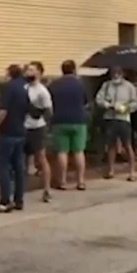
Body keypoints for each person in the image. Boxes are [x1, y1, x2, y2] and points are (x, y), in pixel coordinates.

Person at [0, 64, 29, 213]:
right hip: (20, 130)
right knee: (18, 166)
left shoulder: (10, 87)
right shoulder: (24, 87)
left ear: (10, 73)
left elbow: (3, 110)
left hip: (8, 131)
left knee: (4, 165)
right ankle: (19, 200)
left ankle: (5, 201)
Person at [48, 60, 89, 191]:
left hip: (59, 120)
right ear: (74, 70)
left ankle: (62, 181)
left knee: (62, 152)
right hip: (78, 120)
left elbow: (49, 102)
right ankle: (80, 181)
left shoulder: (54, 85)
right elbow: (86, 102)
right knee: (78, 151)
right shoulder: (80, 84)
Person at [96, 66, 137, 180]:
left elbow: (135, 103)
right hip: (110, 118)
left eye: (118, 73)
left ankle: (132, 171)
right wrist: (107, 105)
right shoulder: (106, 85)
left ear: (123, 74)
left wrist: (126, 108)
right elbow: (99, 99)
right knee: (111, 145)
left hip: (124, 119)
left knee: (127, 145)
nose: (116, 75)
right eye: (114, 73)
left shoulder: (129, 87)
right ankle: (110, 170)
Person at [22, 62, 53, 202]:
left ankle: (46, 190)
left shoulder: (42, 91)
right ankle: (20, 190)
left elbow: (48, 111)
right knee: (21, 159)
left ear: (39, 73)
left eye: (32, 70)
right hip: (23, 127)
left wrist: (38, 114)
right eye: (28, 70)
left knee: (41, 158)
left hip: (37, 128)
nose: (29, 72)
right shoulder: (24, 87)